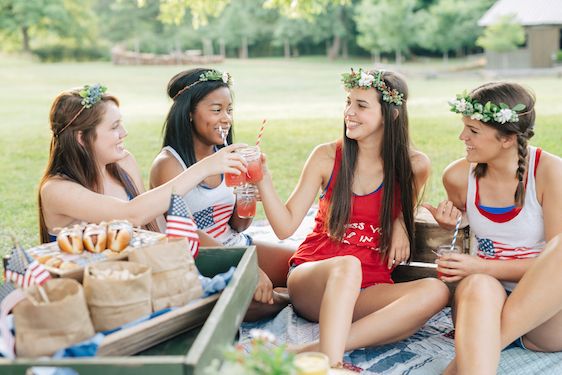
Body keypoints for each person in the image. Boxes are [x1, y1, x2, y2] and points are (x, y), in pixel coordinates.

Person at [255, 68, 450, 367]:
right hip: (315, 277)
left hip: (368, 287)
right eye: (348, 102)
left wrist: (399, 222)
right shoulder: (326, 156)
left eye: (361, 105)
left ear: (390, 114)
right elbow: (285, 227)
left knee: (435, 291)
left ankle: (315, 348)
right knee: (348, 266)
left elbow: (404, 205)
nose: (349, 112)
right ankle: (331, 362)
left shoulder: (414, 165)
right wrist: (263, 179)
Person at [423, 82, 562, 374]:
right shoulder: (459, 176)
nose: (463, 137)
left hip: (544, 319)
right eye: (465, 127)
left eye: (473, 131)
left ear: (508, 139)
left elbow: (554, 266)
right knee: (478, 283)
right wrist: (455, 223)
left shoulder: (550, 173)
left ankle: (461, 365)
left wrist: (483, 266)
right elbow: (467, 228)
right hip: (481, 306)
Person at [149, 68, 294, 318]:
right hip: (201, 261)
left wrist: (247, 194)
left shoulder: (228, 156)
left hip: (235, 244)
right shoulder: (169, 165)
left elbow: (238, 226)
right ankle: (288, 297)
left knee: (301, 264)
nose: (226, 118)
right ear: (189, 114)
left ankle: (289, 294)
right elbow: (187, 232)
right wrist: (245, 266)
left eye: (229, 110)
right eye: (216, 110)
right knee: (248, 300)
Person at [39, 84, 246, 243]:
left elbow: (151, 224)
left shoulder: (124, 163)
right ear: (81, 138)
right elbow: (132, 214)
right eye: (114, 127)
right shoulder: (56, 190)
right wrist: (205, 168)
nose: (124, 133)